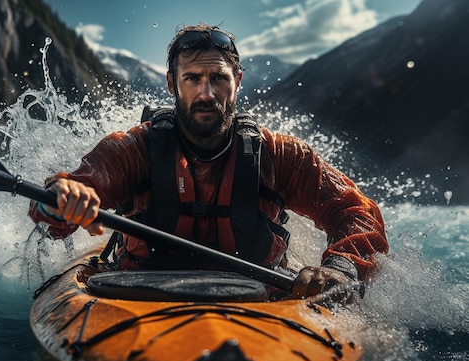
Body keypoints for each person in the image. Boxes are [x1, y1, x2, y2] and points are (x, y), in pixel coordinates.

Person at [29, 23, 389, 299]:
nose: (206, 93)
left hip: (256, 297)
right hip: (138, 292)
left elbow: (354, 210)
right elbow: (80, 185)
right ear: (172, 84)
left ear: (238, 82)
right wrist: (66, 197)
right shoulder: (135, 148)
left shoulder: (279, 155)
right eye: (193, 79)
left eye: (218, 78)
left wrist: (341, 267)